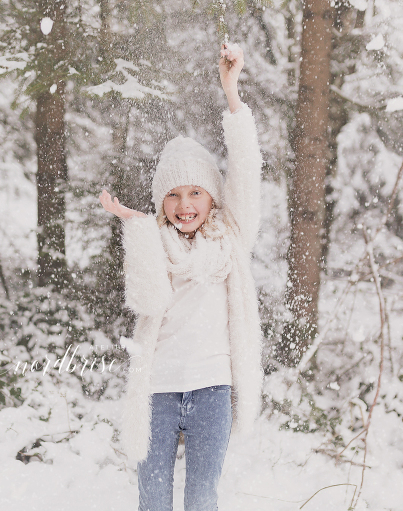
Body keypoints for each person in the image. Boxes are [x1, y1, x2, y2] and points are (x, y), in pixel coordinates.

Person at [99, 43, 263, 511]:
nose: (185, 204)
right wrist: (138, 228)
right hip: (158, 390)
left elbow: (246, 167)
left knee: (201, 498)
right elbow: (148, 300)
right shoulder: (153, 241)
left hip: (213, 386)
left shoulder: (232, 237)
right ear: (161, 202)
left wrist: (232, 92)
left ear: (214, 197)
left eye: (196, 192)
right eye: (172, 194)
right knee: (153, 499)